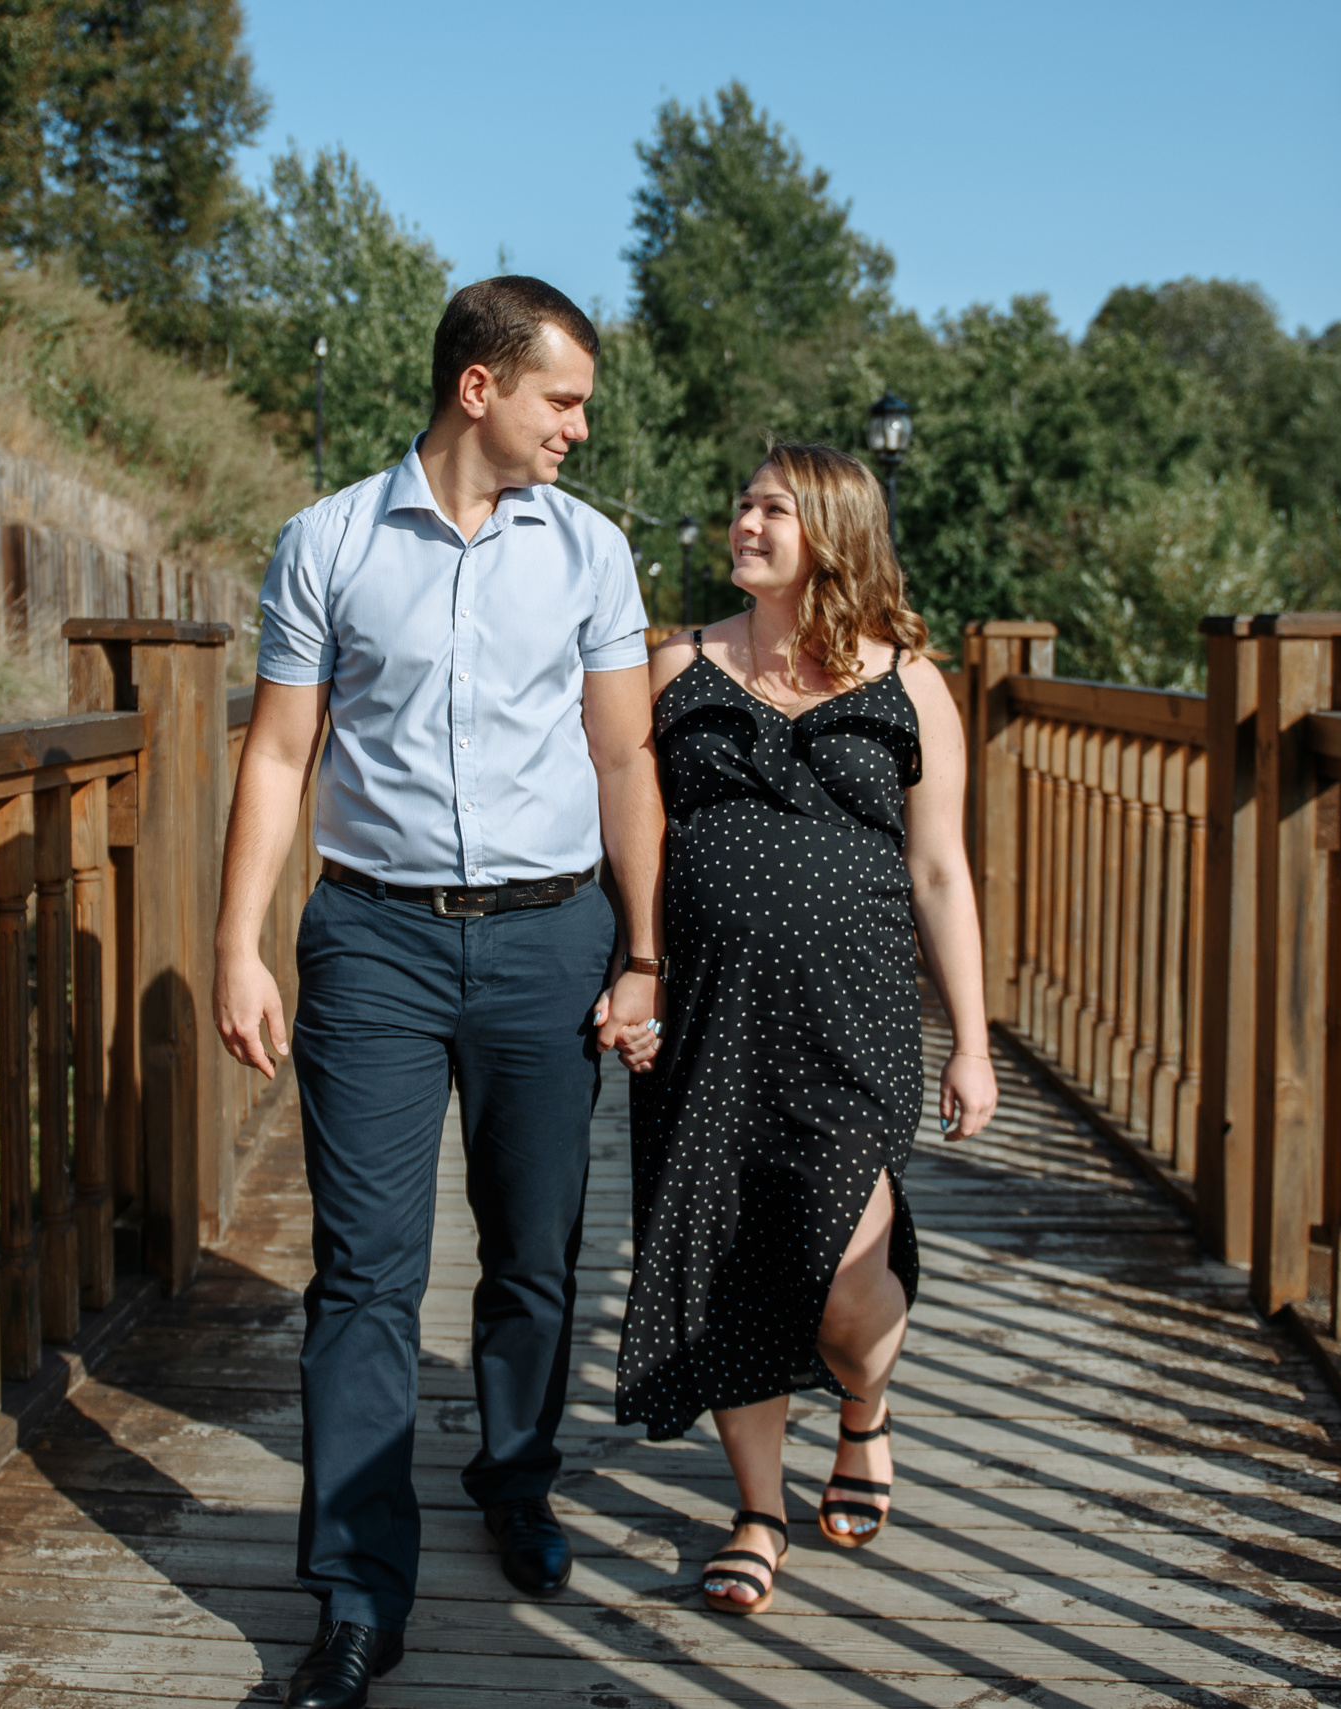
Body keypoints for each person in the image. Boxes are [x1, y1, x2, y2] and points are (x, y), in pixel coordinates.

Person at [213, 276, 663, 1709]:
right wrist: (239, 943)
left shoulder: (590, 551)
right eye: (562, 399)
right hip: (374, 945)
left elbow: (624, 760)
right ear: (481, 388)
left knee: (533, 1252)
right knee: (365, 1275)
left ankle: (517, 1477)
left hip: (550, 940)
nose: (578, 426)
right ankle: (358, 1593)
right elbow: (278, 755)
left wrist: (641, 952)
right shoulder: (329, 541)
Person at [609, 442, 997, 1616]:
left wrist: (972, 1039)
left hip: (853, 1016)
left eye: (774, 508)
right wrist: (636, 969)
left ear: (833, 529)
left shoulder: (909, 680)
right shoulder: (676, 663)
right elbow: (635, 830)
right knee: (730, 1255)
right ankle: (757, 1508)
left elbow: (940, 870)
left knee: (841, 1266)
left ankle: (864, 1405)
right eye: (743, 503)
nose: (746, 522)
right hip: (709, 1013)